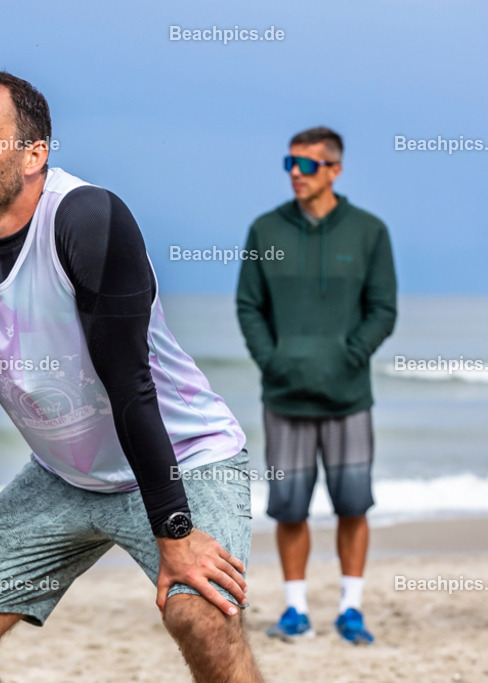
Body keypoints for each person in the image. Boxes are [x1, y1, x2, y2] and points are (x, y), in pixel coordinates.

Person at [0, 70, 263, 682]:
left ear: (33, 154)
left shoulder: (86, 218)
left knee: (200, 614)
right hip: (65, 476)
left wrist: (175, 529)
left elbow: (129, 384)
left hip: (184, 458)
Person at [236, 127, 397, 644]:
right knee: (289, 507)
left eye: (306, 166)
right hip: (284, 398)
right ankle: (295, 609)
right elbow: (248, 306)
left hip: (349, 398)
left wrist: (349, 356)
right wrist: (272, 360)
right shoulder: (265, 230)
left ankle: (351, 608)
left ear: (334, 169)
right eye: (290, 164)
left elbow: (383, 309)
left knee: (353, 505)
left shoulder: (369, 231)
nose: (295, 175)